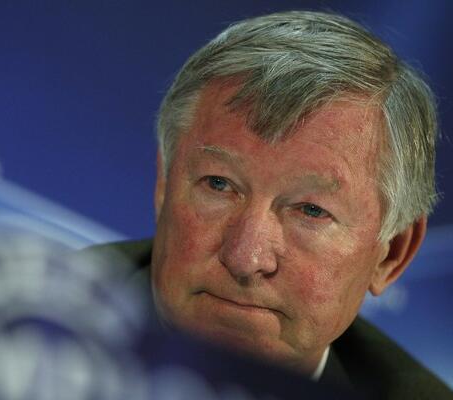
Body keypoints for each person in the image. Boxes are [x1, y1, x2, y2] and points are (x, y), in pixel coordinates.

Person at [86, 10, 453, 399]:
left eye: (311, 210)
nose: (245, 258)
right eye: (218, 184)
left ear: (391, 253)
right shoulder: (49, 326)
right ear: (164, 184)